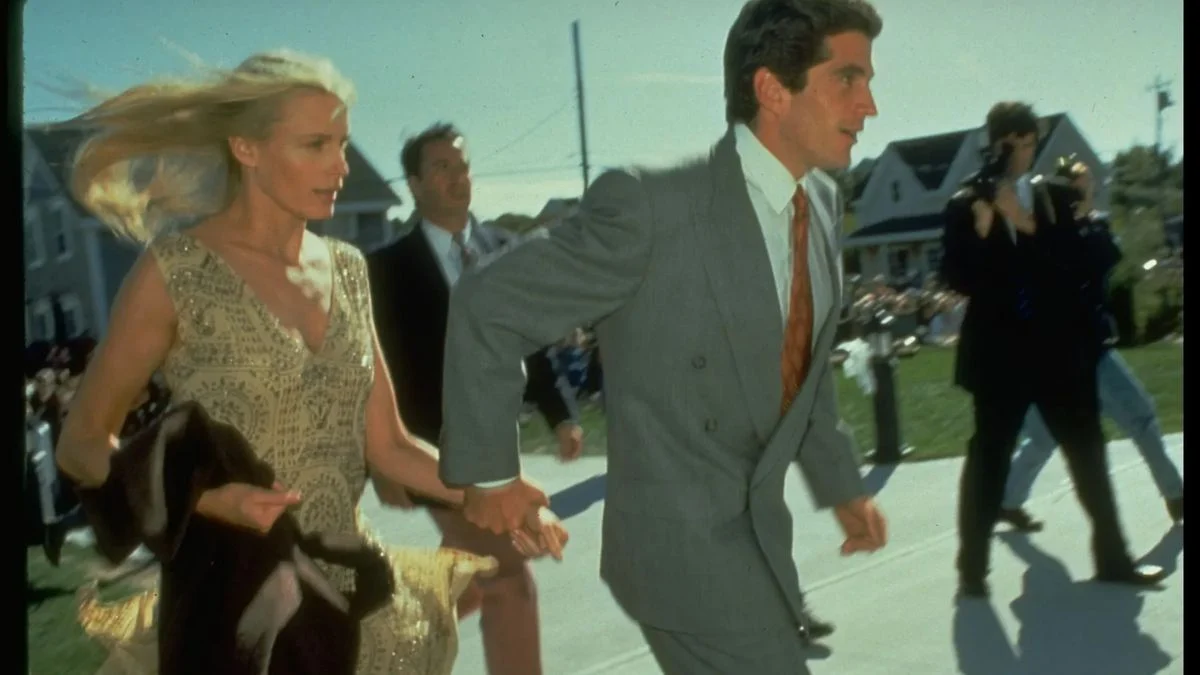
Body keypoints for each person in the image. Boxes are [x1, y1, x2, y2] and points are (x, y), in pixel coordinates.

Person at [52, 49, 563, 674]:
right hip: (243, 613)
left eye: (342, 144)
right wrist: (207, 499)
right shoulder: (173, 273)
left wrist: (497, 489)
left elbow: (390, 446)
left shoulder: (347, 270)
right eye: (316, 145)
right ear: (246, 148)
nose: (341, 166)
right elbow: (80, 444)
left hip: (357, 599)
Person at [439, 1, 888, 672]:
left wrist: (841, 484)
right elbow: (489, 302)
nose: (870, 104)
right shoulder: (654, 204)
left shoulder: (822, 202)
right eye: (847, 78)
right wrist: (491, 473)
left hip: (758, 547)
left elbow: (804, 366)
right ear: (772, 89)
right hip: (679, 558)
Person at [366, 122, 582, 675]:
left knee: (470, 581)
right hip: (431, 455)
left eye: (462, 166)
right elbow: (371, 371)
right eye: (441, 168)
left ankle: (389, 648)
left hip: (498, 452)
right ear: (415, 184)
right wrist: (382, 465)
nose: (457, 178)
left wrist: (561, 415)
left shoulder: (506, 249)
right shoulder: (385, 269)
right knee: (509, 580)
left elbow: (531, 342)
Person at [940, 101, 1166, 599]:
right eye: (1011, 144)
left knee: (1088, 455)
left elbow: (1079, 264)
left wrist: (1024, 223)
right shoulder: (964, 201)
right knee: (988, 460)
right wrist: (984, 226)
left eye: (1029, 143)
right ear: (993, 144)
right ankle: (972, 571)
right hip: (999, 357)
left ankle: (1114, 559)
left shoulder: (1054, 197)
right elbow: (957, 277)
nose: (1021, 154)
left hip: (1060, 353)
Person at [999, 159, 1184, 530]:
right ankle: (1177, 496)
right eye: (1083, 186)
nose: (1091, 190)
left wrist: (1085, 220)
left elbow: (1106, 258)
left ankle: (1006, 500)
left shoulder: (1061, 231)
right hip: (1082, 352)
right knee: (1140, 417)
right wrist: (1083, 221)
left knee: (1044, 435)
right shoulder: (1059, 236)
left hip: (1055, 355)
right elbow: (1100, 260)